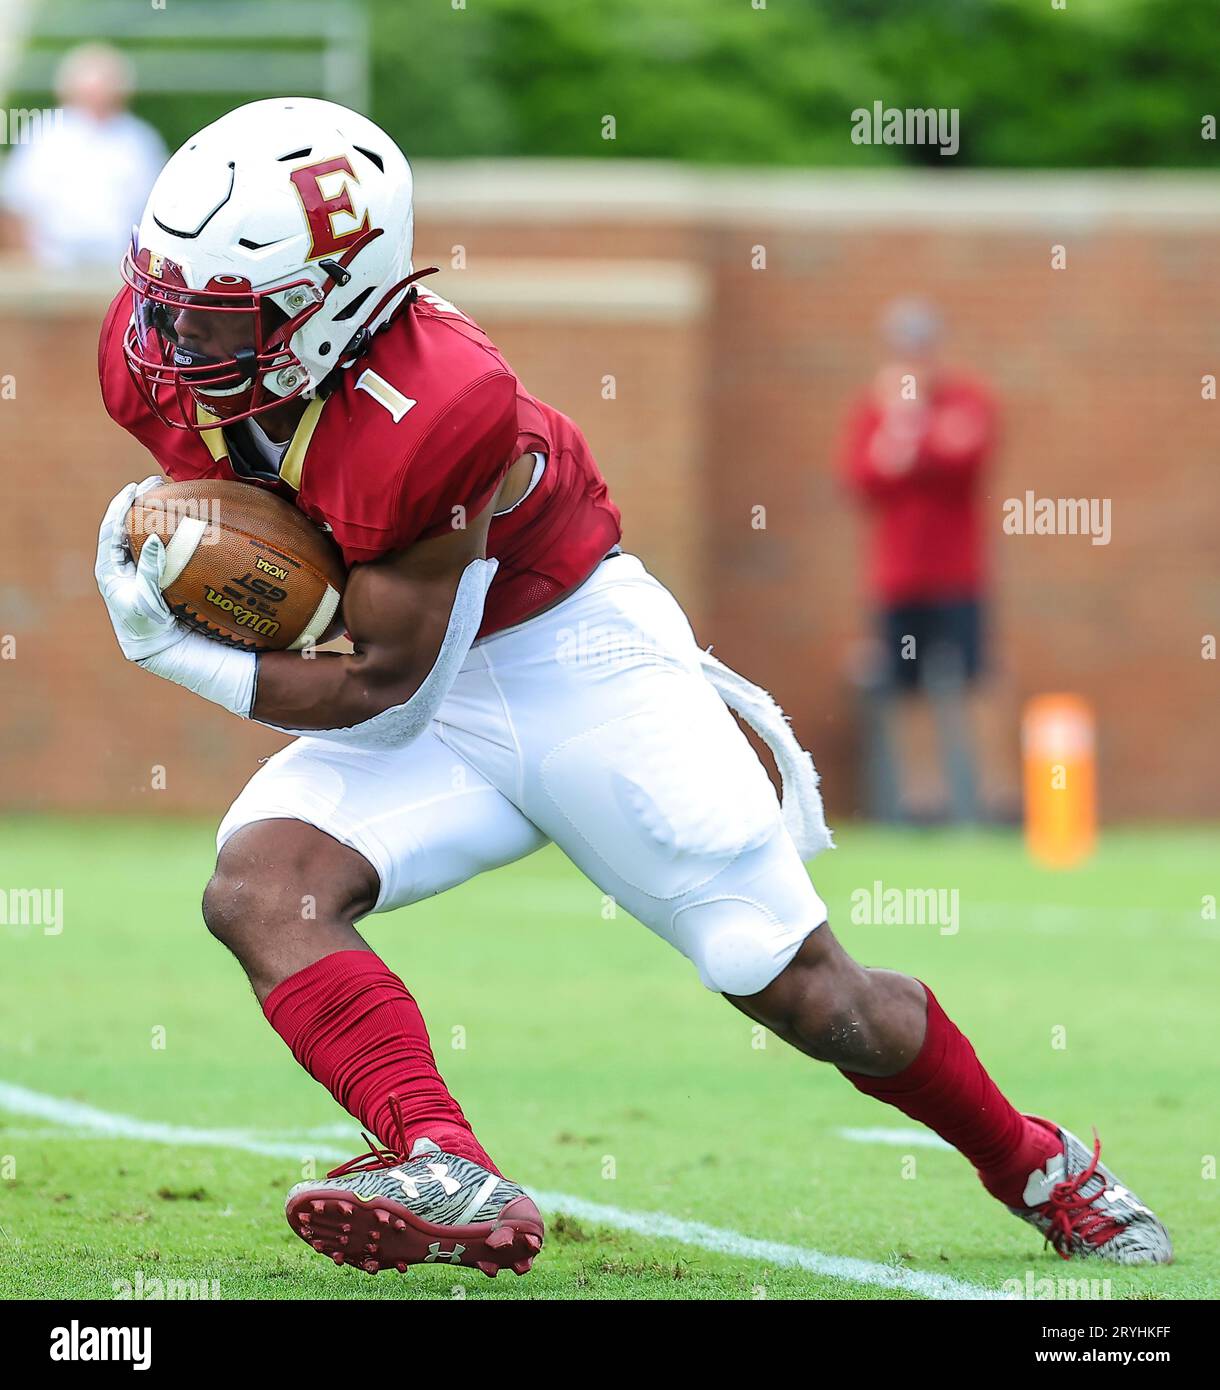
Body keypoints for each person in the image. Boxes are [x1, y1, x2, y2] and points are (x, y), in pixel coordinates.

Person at [93, 99, 1169, 1278]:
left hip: (571, 664)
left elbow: (382, 690)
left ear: (334, 303)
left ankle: (1034, 1161)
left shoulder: (444, 407)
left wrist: (171, 646)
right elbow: (302, 562)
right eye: (165, 293)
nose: (167, 337)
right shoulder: (156, 355)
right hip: (426, 680)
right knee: (260, 887)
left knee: (796, 986)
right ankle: (445, 1162)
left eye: (214, 315)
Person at [840, 298, 1002, 823]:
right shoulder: (875, 409)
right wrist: (903, 426)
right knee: (906, 687)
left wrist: (915, 436)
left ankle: (998, 797)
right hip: (898, 577)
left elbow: (964, 459)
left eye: (922, 346)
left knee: (977, 679)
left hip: (958, 574)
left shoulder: (966, 398)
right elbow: (866, 478)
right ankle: (922, 799)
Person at [1, 43, 165, 269]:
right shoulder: (43, 133)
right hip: (51, 262)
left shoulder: (140, 139)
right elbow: (16, 204)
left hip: (120, 264)